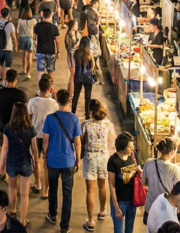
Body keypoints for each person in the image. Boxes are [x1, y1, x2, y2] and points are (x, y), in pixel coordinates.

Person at [42, 89, 82, 233]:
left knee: (52, 189)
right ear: (69, 101)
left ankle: (52, 215)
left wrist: (44, 156)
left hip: (53, 160)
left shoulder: (50, 118)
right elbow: (77, 142)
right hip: (68, 162)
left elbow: (45, 140)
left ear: (56, 100)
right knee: (67, 193)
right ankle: (64, 226)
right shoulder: (74, 119)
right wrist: (78, 159)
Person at [0, 103, 38, 226]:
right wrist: (36, 161)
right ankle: (22, 220)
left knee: (12, 188)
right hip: (25, 162)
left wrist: (1, 163)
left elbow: (5, 147)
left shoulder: (8, 128)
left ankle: (13, 211)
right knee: (25, 194)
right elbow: (35, 149)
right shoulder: (31, 129)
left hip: (12, 162)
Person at [80, 100, 115, 230]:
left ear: (91, 111)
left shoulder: (85, 124)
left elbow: (80, 138)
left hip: (90, 157)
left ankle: (90, 221)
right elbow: (111, 139)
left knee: (90, 190)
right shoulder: (108, 124)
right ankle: (102, 211)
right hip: (104, 156)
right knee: (102, 186)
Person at [28, 77, 58, 199]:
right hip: (48, 137)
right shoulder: (54, 104)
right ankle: (46, 190)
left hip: (34, 136)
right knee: (46, 163)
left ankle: (37, 184)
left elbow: (28, 119)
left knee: (36, 161)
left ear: (39, 88)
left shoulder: (32, 102)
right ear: (49, 89)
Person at [141, 139, 180, 225]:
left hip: (150, 209)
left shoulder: (148, 163)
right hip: (166, 212)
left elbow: (143, 183)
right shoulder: (175, 169)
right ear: (172, 151)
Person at [106, 133, 138, 233]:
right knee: (118, 230)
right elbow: (111, 185)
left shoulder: (132, 156)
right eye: (129, 147)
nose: (132, 149)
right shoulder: (113, 161)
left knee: (129, 229)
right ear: (122, 147)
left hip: (132, 200)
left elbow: (135, 171)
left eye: (133, 146)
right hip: (120, 201)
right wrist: (116, 207)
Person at [0, 69, 28, 151]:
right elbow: (25, 112)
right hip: (17, 128)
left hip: (3, 126)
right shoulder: (21, 94)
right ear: (16, 79)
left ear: (5, 79)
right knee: (15, 151)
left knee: (4, 150)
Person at [72, 37, 95, 117]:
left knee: (76, 96)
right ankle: (87, 114)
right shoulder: (90, 54)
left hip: (78, 77)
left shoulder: (76, 53)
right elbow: (93, 67)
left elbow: (74, 62)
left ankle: (73, 112)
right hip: (88, 78)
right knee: (88, 97)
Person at [34, 9, 60, 75]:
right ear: (50, 15)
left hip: (40, 50)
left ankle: (41, 85)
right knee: (50, 71)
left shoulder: (38, 26)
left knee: (40, 71)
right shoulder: (54, 27)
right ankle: (50, 85)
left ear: (43, 15)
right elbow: (57, 41)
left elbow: (34, 38)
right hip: (50, 51)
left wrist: (36, 48)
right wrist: (58, 52)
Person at [17, 7, 37, 80]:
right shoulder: (34, 20)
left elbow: (18, 31)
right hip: (30, 38)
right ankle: (28, 74)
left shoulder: (20, 20)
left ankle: (24, 70)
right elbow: (36, 30)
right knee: (30, 57)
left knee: (23, 56)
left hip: (22, 38)